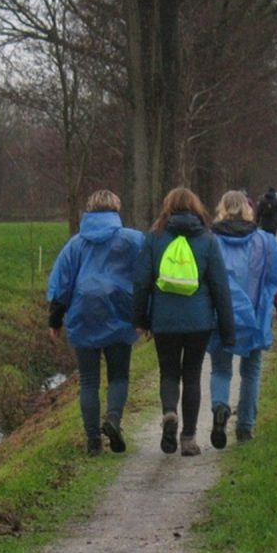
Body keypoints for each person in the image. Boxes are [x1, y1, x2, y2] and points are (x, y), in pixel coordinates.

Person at [132, 187, 235, 456]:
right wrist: (227, 329)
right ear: (195, 207)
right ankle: (188, 438)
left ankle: (170, 413)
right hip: (199, 321)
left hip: (164, 320)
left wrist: (141, 318)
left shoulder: (154, 237)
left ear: (168, 207)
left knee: (168, 373)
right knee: (191, 375)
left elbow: (141, 282)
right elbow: (220, 288)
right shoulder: (208, 240)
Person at [47, 190, 144, 456]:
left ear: (89, 210)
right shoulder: (133, 241)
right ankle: (113, 419)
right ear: (116, 209)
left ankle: (92, 441)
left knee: (89, 381)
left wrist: (55, 319)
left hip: (83, 314)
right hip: (119, 313)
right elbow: (145, 277)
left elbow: (61, 284)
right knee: (119, 375)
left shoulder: (75, 245)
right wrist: (146, 315)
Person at [207, 190, 277, 448]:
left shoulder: (211, 240)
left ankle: (220, 406)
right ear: (248, 209)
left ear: (222, 208)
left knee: (221, 369)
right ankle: (245, 427)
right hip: (255, 316)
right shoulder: (265, 241)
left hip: (220, 317)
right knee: (251, 371)